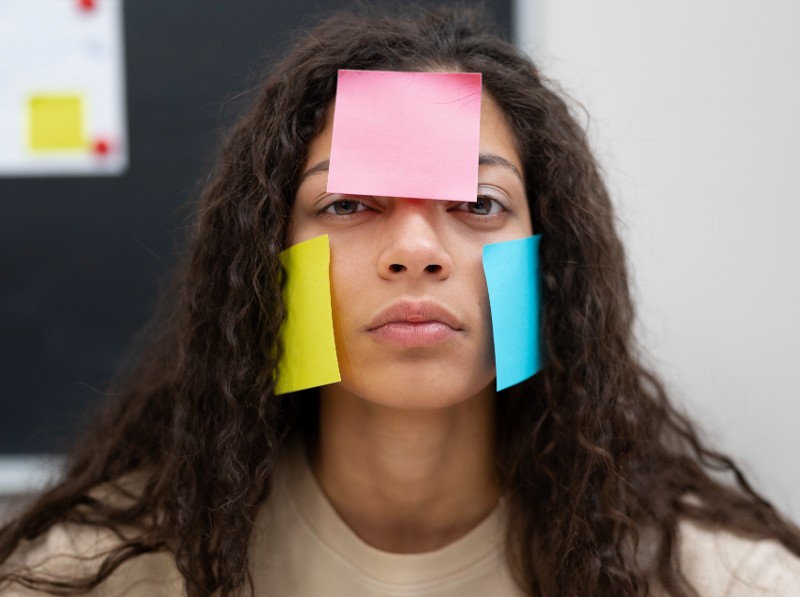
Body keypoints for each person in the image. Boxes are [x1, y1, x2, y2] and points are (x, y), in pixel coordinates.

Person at [1, 6, 799, 597]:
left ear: (552, 266)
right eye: (347, 205)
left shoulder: (720, 581)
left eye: (479, 205)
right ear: (266, 265)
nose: (416, 250)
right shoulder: (88, 577)